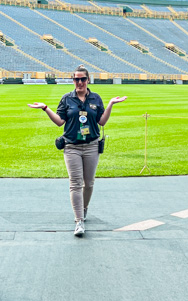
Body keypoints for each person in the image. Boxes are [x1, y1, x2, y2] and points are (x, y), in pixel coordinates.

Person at [28, 65, 127, 237]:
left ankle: (84, 208)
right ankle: (79, 220)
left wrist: (111, 104)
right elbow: (60, 122)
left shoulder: (96, 98)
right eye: (76, 79)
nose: (79, 82)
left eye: (82, 79)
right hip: (72, 146)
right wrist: (46, 108)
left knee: (88, 183)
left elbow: (102, 122)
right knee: (75, 183)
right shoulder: (67, 99)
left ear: (88, 80)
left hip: (91, 145)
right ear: (73, 80)